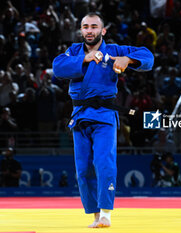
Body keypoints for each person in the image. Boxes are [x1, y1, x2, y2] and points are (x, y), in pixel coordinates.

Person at [52, 12, 154, 228]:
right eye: (86, 27)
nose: (89, 31)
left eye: (94, 27)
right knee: (83, 168)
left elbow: (147, 56)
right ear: (81, 30)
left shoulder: (115, 50)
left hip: (104, 115)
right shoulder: (73, 52)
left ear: (103, 30)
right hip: (80, 116)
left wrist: (129, 59)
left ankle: (106, 212)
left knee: (103, 161)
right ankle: (95, 215)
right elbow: (58, 67)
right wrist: (85, 58)